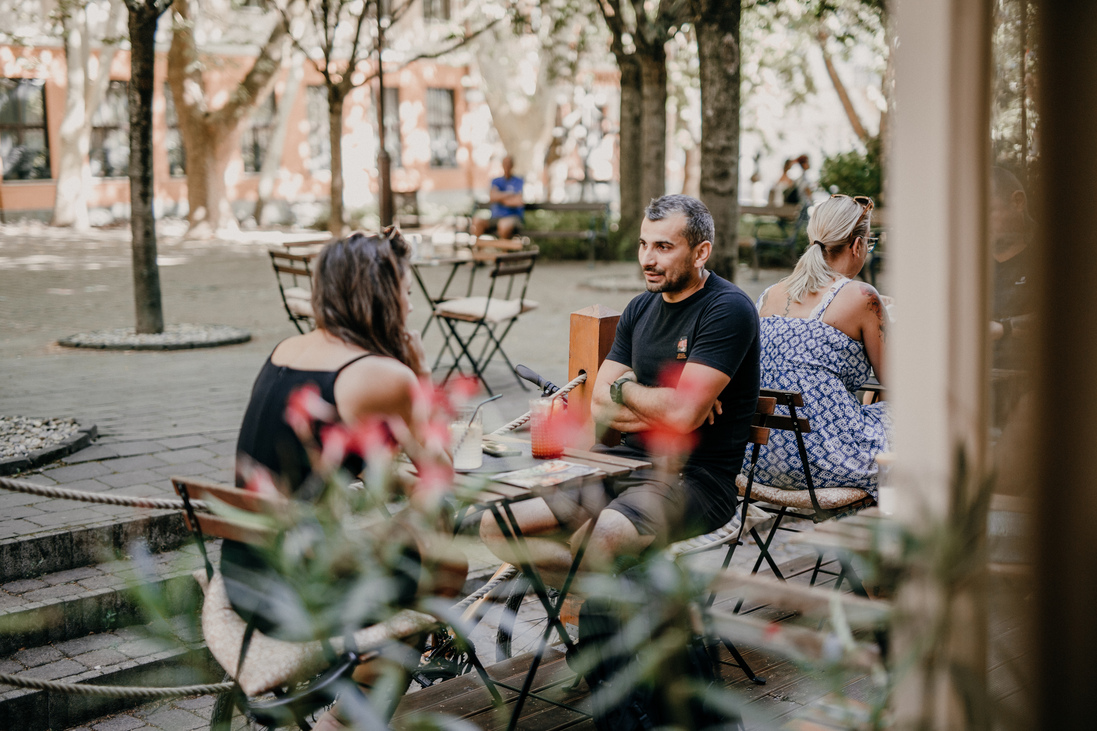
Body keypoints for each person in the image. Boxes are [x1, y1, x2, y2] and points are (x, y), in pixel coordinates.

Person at [225, 230, 454, 730]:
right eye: (407, 291)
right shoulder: (379, 373)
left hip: (241, 572)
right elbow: (442, 468)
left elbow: (308, 466)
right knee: (434, 572)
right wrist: (420, 369)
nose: (412, 305)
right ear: (381, 294)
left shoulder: (287, 349)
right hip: (296, 593)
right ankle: (345, 721)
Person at [480, 194, 760, 583]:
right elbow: (600, 404)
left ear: (701, 253)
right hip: (618, 464)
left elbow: (680, 416)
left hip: (693, 478)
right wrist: (653, 399)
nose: (647, 259)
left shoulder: (727, 309)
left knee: (598, 540)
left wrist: (626, 388)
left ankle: (612, 604)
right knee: (497, 525)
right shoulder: (639, 309)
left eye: (664, 247)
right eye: (644, 244)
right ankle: (617, 594)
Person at [746, 194, 890, 498]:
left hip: (757, 462)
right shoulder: (862, 296)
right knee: (926, 421)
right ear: (857, 245)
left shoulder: (769, 295)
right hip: (825, 463)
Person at [472, 155, 524, 240]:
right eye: (505, 163)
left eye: (509, 164)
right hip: (495, 218)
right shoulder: (495, 181)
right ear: (502, 165)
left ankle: (504, 251)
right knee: (477, 221)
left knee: (503, 224)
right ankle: (477, 250)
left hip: (512, 218)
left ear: (512, 165)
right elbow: (492, 197)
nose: (507, 166)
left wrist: (499, 197)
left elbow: (518, 201)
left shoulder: (519, 181)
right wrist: (510, 194)